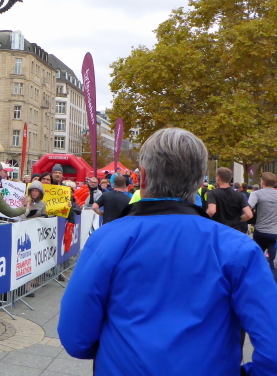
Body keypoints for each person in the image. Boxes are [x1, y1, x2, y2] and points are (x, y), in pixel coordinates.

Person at [58, 128, 277, 375]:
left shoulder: (107, 239)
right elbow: (272, 347)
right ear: (200, 182)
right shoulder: (239, 249)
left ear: (142, 177)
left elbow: (75, 336)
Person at [248, 172, 277, 278]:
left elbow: (249, 207)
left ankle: (255, 281)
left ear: (262, 182)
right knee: (274, 263)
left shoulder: (256, 194)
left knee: (255, 261)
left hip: (260, 232)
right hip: (275, 234)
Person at [207, 167, 252, 232]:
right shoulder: (239, 194)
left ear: (218, 178)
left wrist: (203, 218)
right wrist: (238, 219)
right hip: (234, 231)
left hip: (218, 230)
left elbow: (211, 211)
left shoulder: (212, 193)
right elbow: (249, 214)